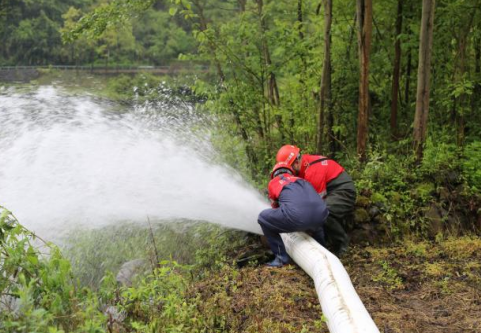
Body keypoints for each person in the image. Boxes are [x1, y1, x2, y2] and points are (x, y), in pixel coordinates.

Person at [276, 145, 356, 257]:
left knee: (323, 211)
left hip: (344, 191)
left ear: (296, 162)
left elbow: (315, 204)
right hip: (331, 191)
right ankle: (329, 241)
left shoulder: (313, 171)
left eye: (289, 170)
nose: (289, 173)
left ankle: (342, 243)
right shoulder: (302, 166)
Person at [258, 161, 329, 267]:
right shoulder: (302, 180)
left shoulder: (274, 182)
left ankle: (281, 258)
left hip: (298, 218)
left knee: (263, 218)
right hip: (322, 214)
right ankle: (324, 249)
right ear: (291, 172)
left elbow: (275, 207)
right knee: (314, 217)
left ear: (274, 174)